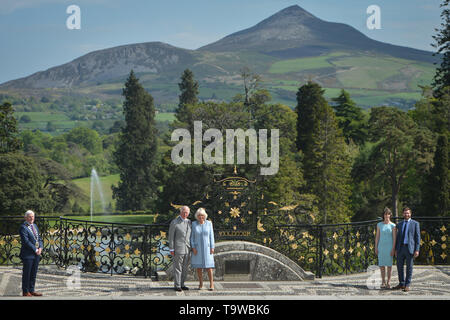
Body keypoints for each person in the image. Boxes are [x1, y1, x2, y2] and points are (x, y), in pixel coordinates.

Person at [393, 207, 420, 292]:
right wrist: (396, 249)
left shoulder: (415, 224)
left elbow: (417, 237)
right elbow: (397, 237)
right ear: (403, 214)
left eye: (408, 213)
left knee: (409, 267)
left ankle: (407, 285)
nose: (406, 214)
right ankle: (401, 283)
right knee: (399, 267)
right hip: (400, 248)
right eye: (405, 213)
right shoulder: (399, 224)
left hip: (410, 249)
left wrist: (417, 249)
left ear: (410, 214)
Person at [19, 210, 43, 297]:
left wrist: (40, 247)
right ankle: (25, 291)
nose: (31, 218)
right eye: (29, 216)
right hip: (28, 254)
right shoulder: (23, 227)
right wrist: (35, 249)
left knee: (33, 273)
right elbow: (26, 241)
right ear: (25, 218)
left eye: (33, 216)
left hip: (36, 254)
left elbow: (39, 238)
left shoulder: (35, 226)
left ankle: (32, 290)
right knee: (27, 273)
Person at [190, 208, 215, 291]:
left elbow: (211, 236)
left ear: (205, 216)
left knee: (209, 267)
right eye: (199, 215)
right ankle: (201, 284)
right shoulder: (194, 224)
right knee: (199, 267)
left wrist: (212, 247)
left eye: (202, 215)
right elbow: (192, 237)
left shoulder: (209, 223)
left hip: (207, 248)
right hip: (197, 248)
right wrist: (193, 247)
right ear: (197, 216)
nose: (201, 217)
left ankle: (211, 284)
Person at [168, 205, 192, 292]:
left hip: (187, 249)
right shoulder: (175, 222)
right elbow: (171, 237)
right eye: (184, 212)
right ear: (180, 212)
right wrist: (171, 248)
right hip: (178, 248)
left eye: (187, 212)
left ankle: (182, 284)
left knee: (185, 268)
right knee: (178, 267)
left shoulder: (189, 222)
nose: (185, 214)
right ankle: (177, 285)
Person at [375, 207, 396, 289]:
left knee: (389, 265)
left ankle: (388, 282)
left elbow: (394, 238)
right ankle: (383, 281)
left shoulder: (393, 225)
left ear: (390, 215)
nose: (386, 215)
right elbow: (377, 237)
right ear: (383, 215)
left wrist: (393, 248)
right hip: (381, 246)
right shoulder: (379, 225)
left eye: (388, 214)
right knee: (382, 265)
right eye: (385, 214)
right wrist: (376, 247)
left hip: (389, 247)